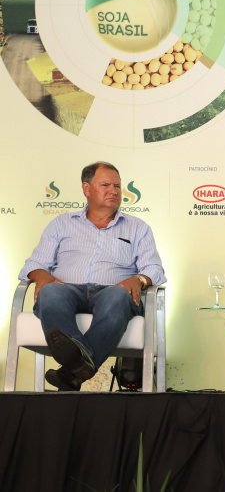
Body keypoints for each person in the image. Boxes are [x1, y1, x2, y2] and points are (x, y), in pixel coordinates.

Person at [19, 162, 166, 391]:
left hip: (112, 292)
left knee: (117, 296)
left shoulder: (138, 228)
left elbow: (154, 268)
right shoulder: (61, 224)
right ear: (86, 189)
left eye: (117, 186)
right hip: (66, 288)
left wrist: (139, 280)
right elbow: (35, 264)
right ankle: (78, 366)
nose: (114, 191)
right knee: (50, 292)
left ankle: (72, 368)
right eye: (105, 185)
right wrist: (40, 276)